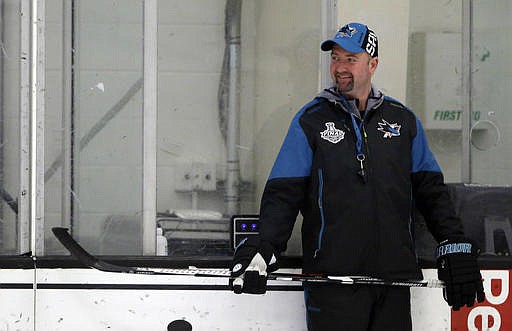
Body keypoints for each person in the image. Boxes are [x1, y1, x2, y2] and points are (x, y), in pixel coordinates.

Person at [230, 22, 485, 331]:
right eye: (335, 58)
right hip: (332, 282)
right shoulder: (311, 120)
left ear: (372, 63)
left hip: (393, 281)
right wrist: (264, 246)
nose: (340, 67)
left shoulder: (403, 122)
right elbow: (284, 193)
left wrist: (453, 241)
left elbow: (431, 192)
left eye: (350, 59)